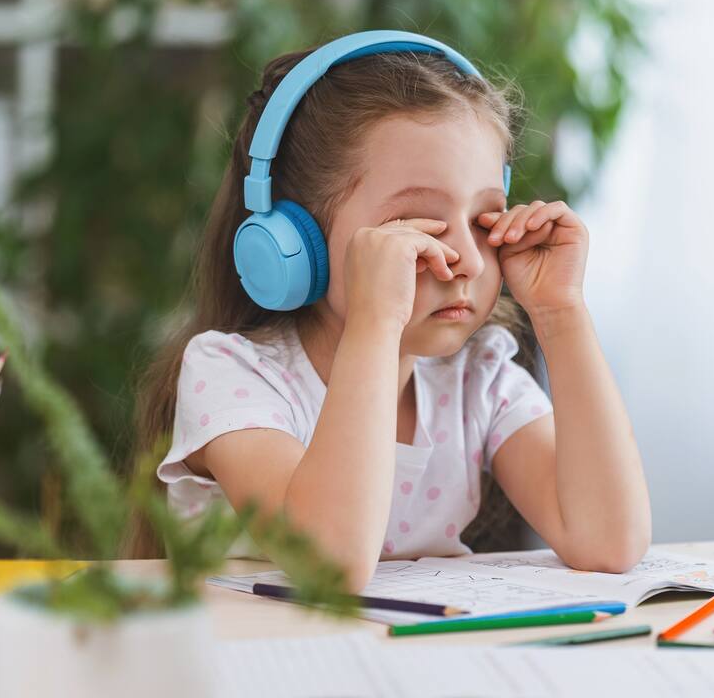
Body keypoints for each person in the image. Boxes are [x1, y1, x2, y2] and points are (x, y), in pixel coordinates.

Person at [135, 31, 650, 590]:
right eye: (416, 226)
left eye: (484, 220)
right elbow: (327, 566)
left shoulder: (477, 379)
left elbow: (607, 541)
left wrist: (561, 312)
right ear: (292, 245)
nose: (469, 262)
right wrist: (376, 324)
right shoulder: (234, 376)